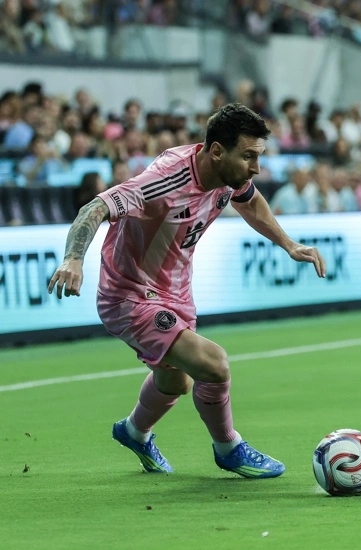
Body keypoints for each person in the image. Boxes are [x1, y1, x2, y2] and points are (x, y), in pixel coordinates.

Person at [47, 103, 326, 478]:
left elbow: (251, 201)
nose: (255, 168)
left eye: (257, 157)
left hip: (175, 292)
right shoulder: (166, 178)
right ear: (216, 151)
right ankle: (229, 447)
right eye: (248, 157)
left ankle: (133, 432)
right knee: (214, 364)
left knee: (175, 380)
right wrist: (73, 259)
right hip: (129, 294)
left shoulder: (231, 175)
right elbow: (93, 209)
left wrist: (289, 244)